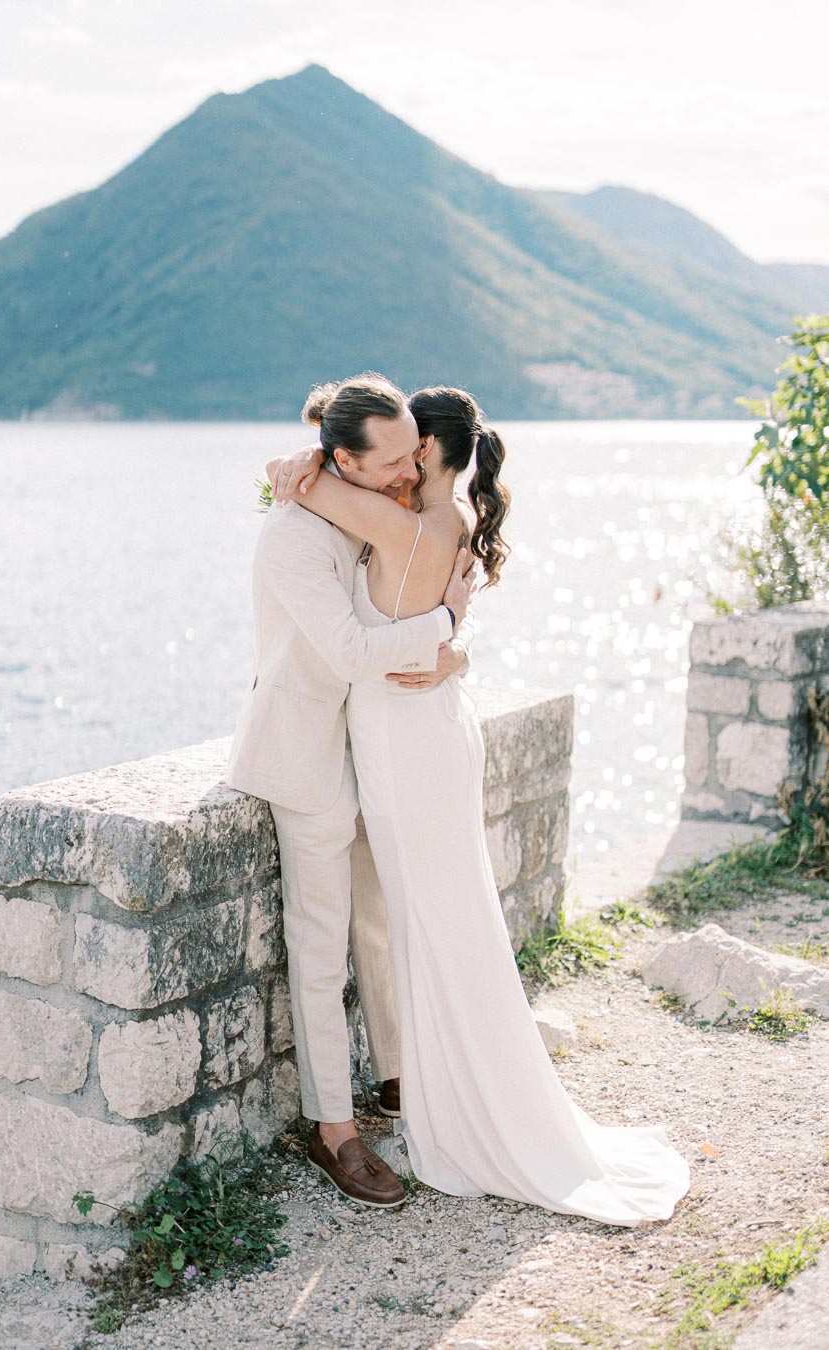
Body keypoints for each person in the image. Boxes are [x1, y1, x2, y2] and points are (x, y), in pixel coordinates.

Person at [265, 383, 691, 1226]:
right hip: (433, 726)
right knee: (449, 915)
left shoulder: (396, 521)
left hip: (400, 738)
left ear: (424, 452)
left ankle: (458, 1105)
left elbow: (308, 491)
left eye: (407, 447)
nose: (398, 460)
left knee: (431, 919)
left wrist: (299, 458)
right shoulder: (452, 523)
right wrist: (450, 635)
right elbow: (416, 598)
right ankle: (454, 1085)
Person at [226, 373, 477, 1209]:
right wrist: (444, 626)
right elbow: (344, 647)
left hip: (374, 744)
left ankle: (400, 1076)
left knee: (381, 919)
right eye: (396, 461)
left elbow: (388, 598)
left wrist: (451, 654)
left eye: (416, 455)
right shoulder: (291, 536)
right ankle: (333, 1130)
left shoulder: (363, 504)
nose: (411, 473)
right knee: (322, 935)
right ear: (345, 461)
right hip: (306, 754)